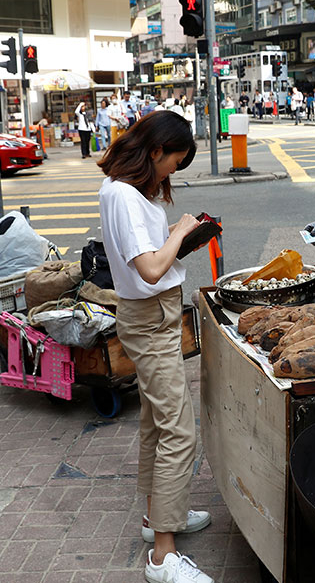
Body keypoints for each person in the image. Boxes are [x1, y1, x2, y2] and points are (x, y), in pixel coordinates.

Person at [96, 111, 214, 583]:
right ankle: (163, 556)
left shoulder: (122, 190)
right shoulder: (124, 195)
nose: (171, 172)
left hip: (151, 315)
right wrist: (182, 232)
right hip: (149, 318)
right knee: (179, 430)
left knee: (154, 421)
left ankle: (157, 517)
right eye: (173, 162)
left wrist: (179, 238)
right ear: (155, 149)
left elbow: (147, 256)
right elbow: (148, 270)